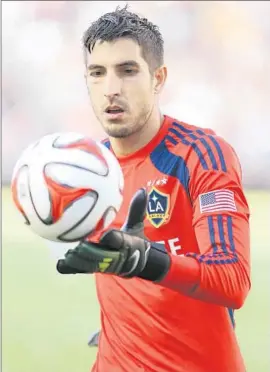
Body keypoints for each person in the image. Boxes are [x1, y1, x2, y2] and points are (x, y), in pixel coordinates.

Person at [57, 6, 251, 372]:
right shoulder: (91, 169)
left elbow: (232, 280)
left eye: (128, 71)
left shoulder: (202, 155)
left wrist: (146, 260)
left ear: (158, 78)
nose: (111, 88)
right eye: (97, 73)